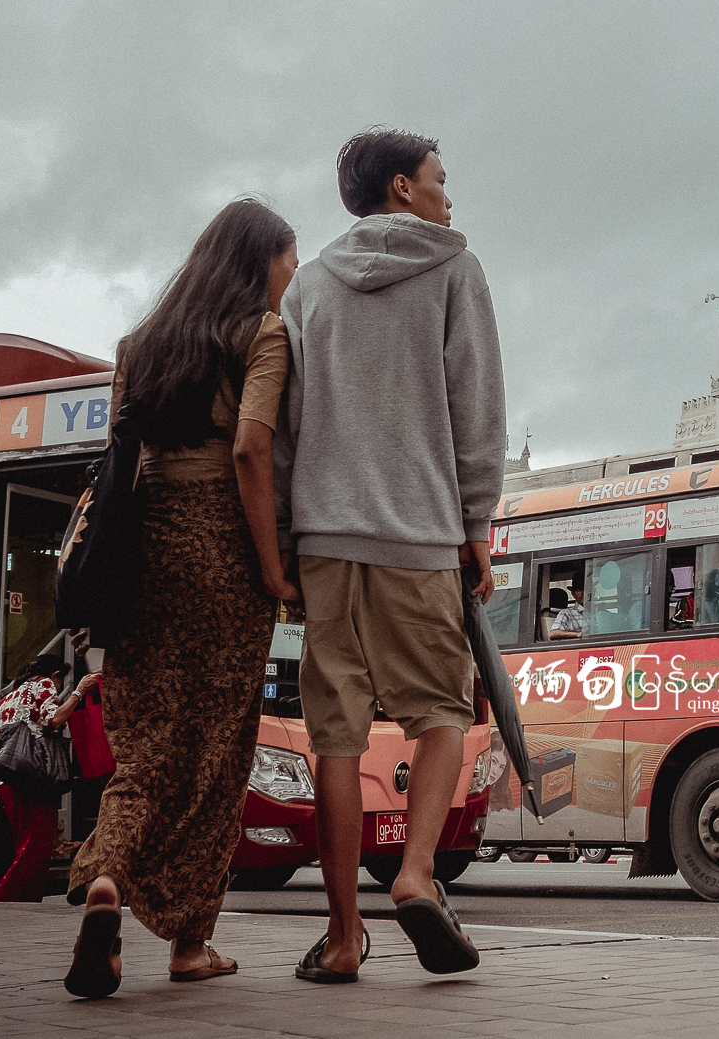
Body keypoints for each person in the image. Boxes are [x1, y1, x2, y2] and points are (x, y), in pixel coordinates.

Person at [276, 127, 505, 982]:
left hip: (327, 543)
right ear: (405, 187)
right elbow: (475, 407)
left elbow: (287, 426)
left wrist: (289, 542)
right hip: (420, 535)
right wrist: (476, 522)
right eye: (443, 178)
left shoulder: (306, 288)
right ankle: (415, 873)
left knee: (335, 738)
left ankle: (342, 936)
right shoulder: (454, 269)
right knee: (441, 716)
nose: (451, 195)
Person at [63, 198, 303, 999]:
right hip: (219, 548)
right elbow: (250, 450)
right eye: (288, 260)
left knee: (148, 742)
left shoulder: (142, 343)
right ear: (257, 260)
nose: (293, 275)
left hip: (141, 549)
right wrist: (273, 569)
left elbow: (118, 458)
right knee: (217, 748)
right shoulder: (260, 334)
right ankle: (191, 942)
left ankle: (104, 881)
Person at [0, 653, 95, 902]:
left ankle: (23, 906)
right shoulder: (44, 684)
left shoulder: (8, 697)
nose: (58, 688)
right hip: (36, 781)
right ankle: (0, 905)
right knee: (34, 853)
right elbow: (56, 719)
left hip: (7, 782)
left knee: (23, 849)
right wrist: (79, 692)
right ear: (55, 675)